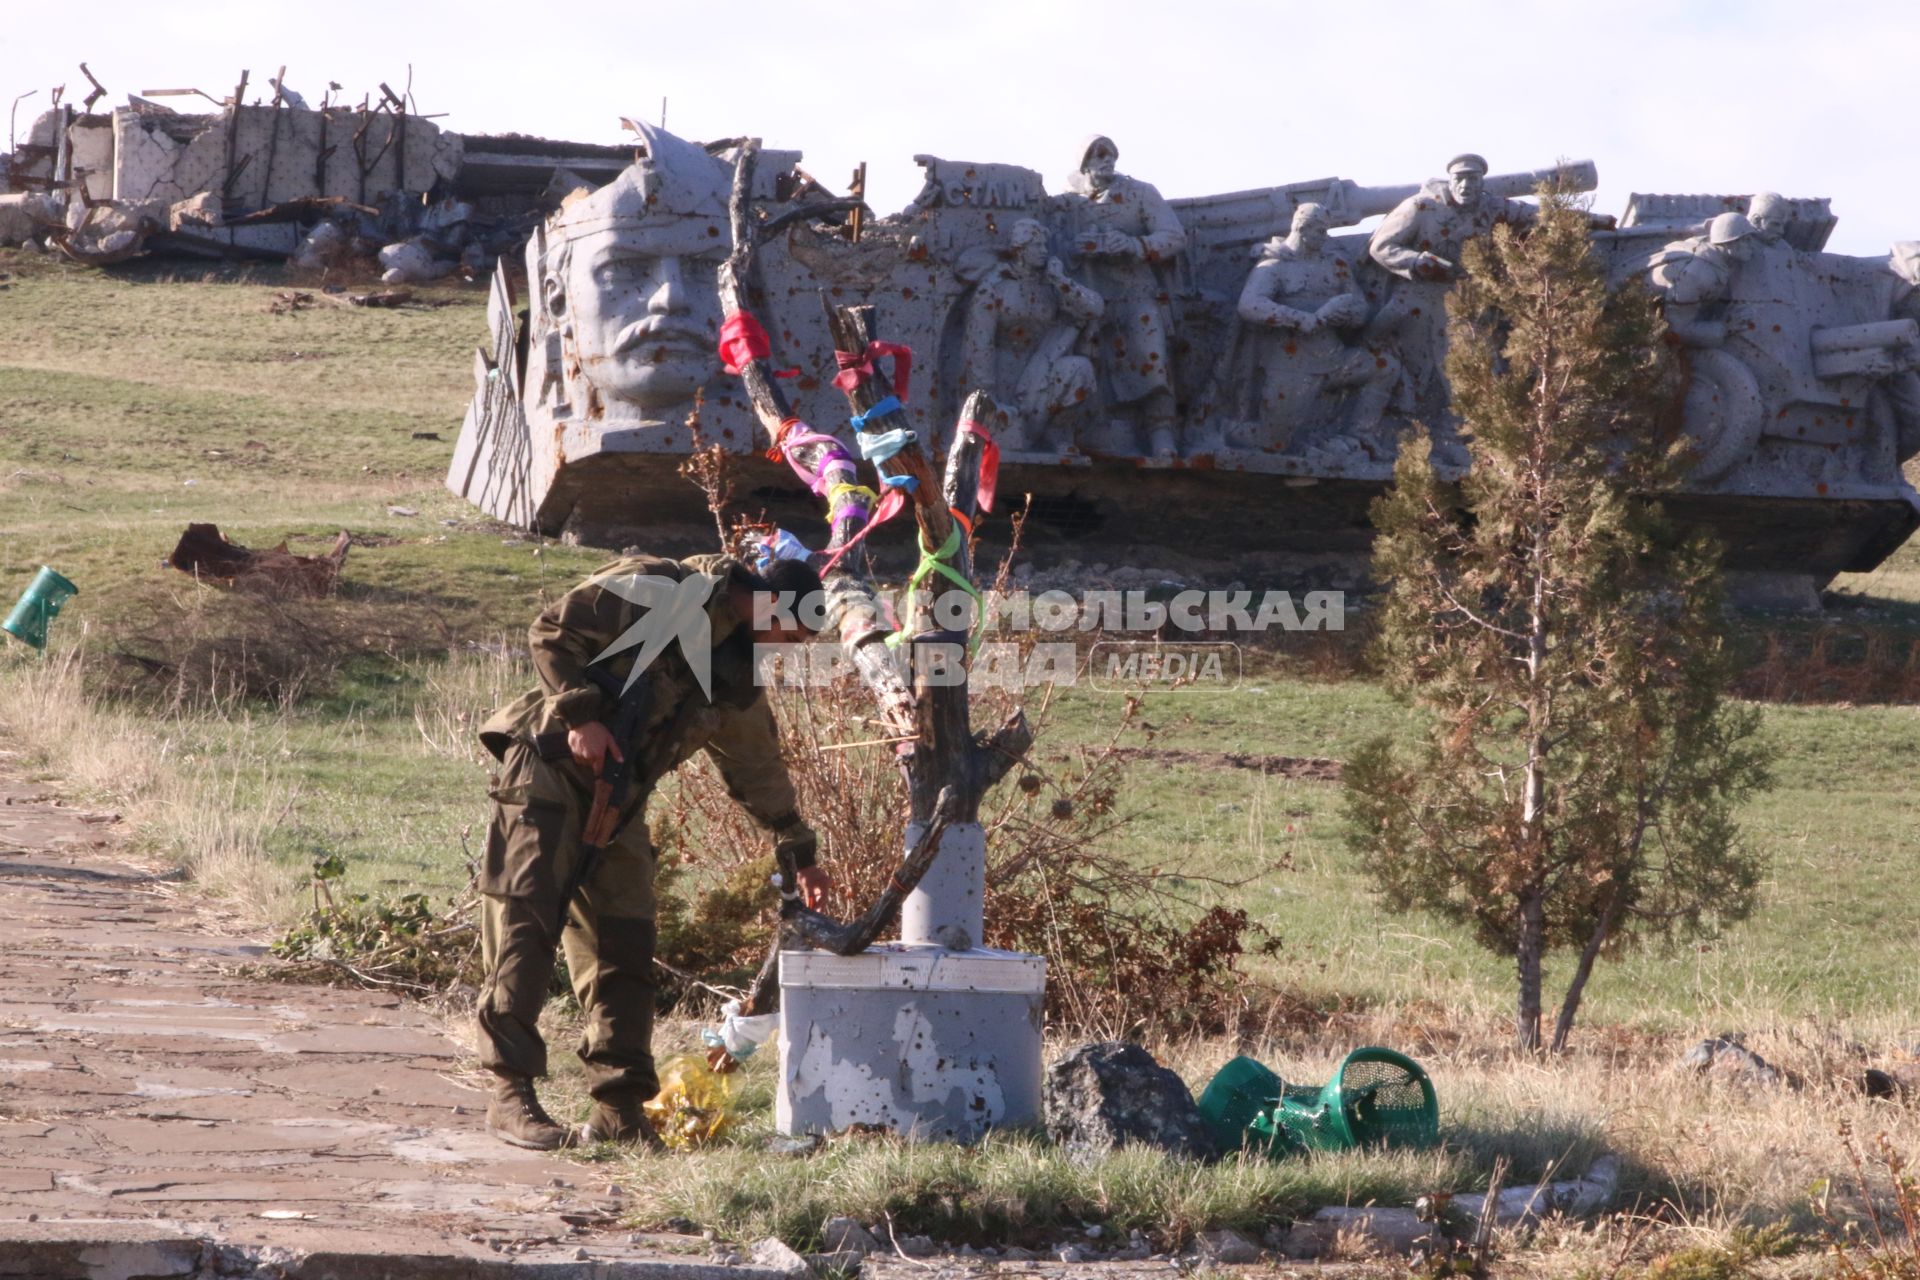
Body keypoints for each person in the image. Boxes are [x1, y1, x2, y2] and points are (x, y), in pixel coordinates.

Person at [473, 552, 831, 1150]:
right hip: (549, 767)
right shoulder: (664, 587)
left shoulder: (736, 669)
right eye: (790, 634)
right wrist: (581, 715)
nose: (788, 651)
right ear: (769, 603)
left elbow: (757, 767)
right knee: (524, 926)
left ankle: (619, 1109)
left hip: (618, 798)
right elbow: (552, 630)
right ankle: (511, 1094)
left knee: (625, 942)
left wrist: (799, 847)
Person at [1058, 135, 1188, 458]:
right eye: (1098, 154)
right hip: (1090, 293)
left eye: (1111, 154)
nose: (1107, 159)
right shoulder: (1068, 204)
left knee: (1150, 353)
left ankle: (1162, 434)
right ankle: (1089, 431)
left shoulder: (1140, 193)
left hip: (1135, 289)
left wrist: (1135, 245)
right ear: (1084, 162)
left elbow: (1174, 236)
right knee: (1090, 358)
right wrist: (1076, 249)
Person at [1234, 202, 1396, 453]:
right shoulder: (1274, 265)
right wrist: (1302, 319)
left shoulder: (1335, 265)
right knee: (1273, 442)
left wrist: (1348, 316)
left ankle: (1360, 434)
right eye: (1320, 231)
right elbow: (1249, 304)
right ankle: (1222, 431)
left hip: (1334, 359)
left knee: (1385, 368)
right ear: (1301, 227)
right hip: (1290, 365)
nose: (1325, 237)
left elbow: (1360, 306)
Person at [956, 217, 1104, 452]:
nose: (1044, 251)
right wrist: (990, 399)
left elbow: (1094, 308)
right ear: (1020, 249)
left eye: (1045, 246)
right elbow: (979, 346)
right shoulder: (994, 286)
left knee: (1080, 369)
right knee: (1006, 433)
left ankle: (1056, 433)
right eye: (1037, 245)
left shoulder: (1052, 284)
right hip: (1003, 377)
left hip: (1042, 367)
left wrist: (1061, 280)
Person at [1647, 212, 1759, 348]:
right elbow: (1676, 330)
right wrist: (1725, 328)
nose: (1751, 245)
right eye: (1746, 240)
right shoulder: (1696, 275)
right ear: (1729, 243)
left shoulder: (1712, 252)